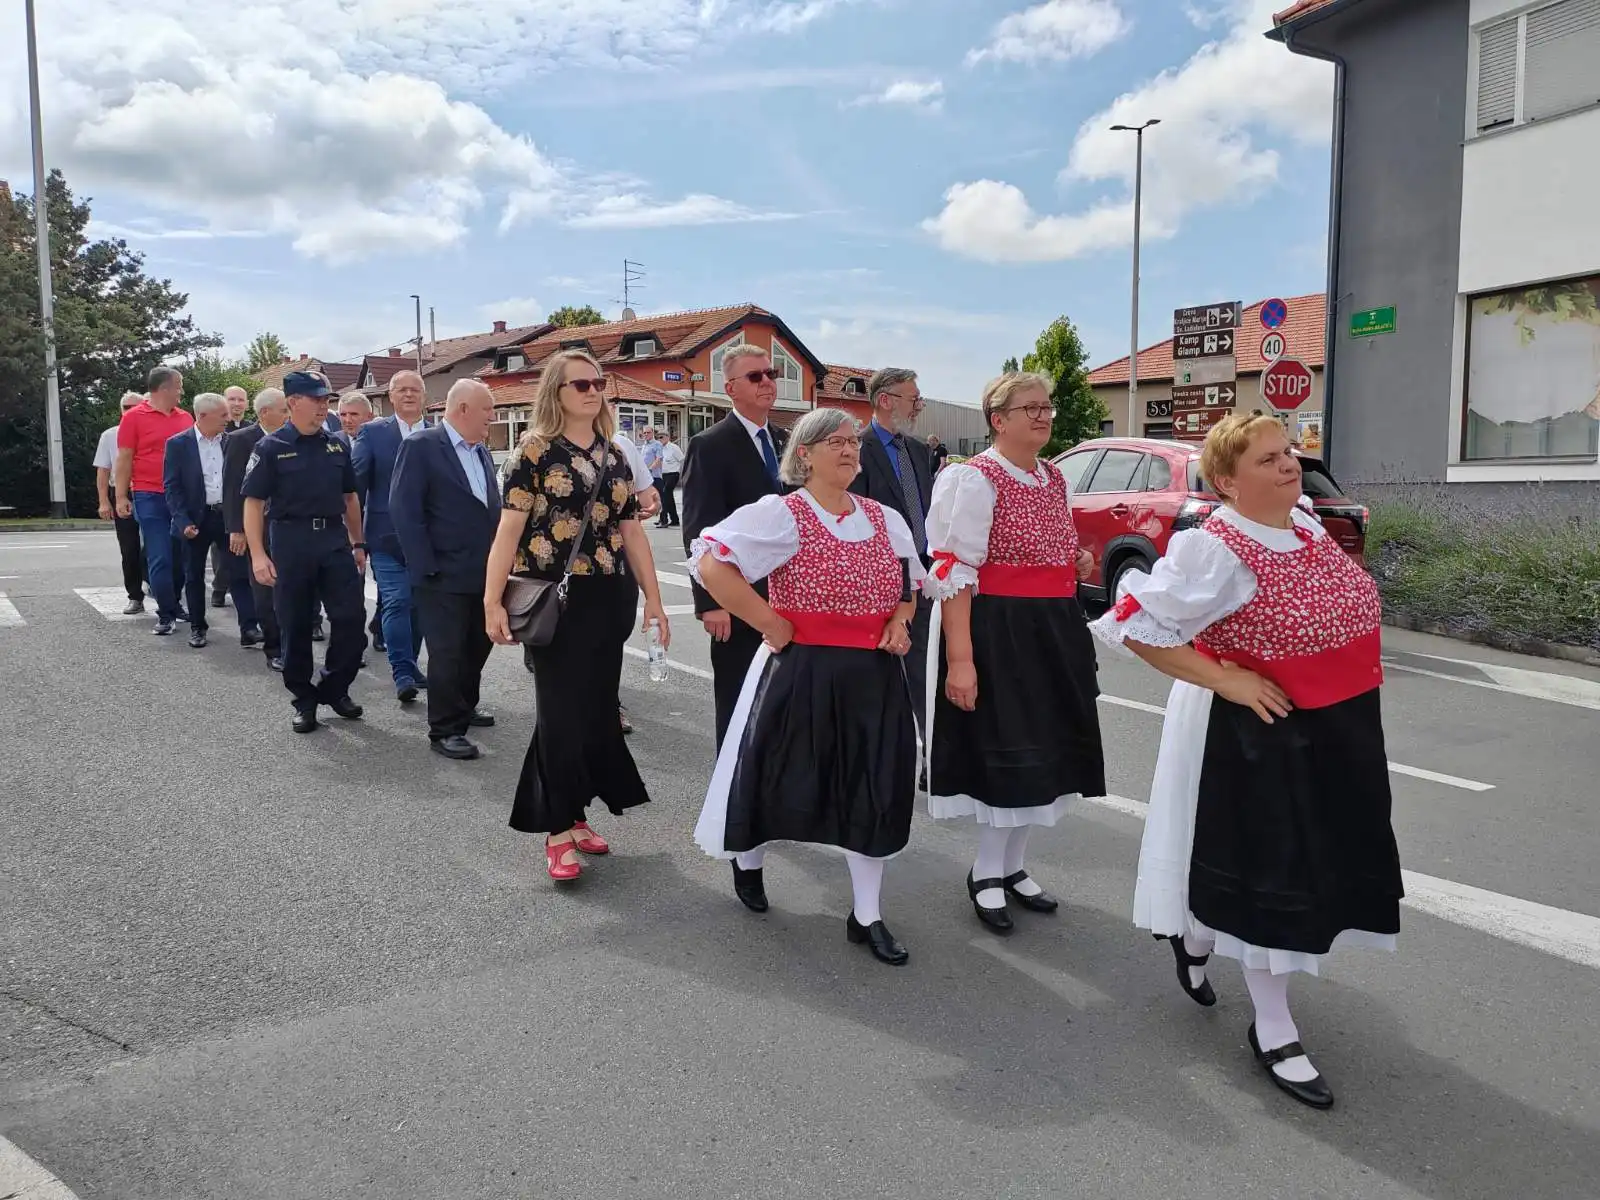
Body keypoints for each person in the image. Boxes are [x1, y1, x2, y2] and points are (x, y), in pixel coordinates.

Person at [1088, 412, 1401, 1110]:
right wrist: (1226, 678)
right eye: (1268, 459)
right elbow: (1132, 620)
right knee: (1274, 870)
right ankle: (1274, 1026)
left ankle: (1193, 933)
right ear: (1227, 481)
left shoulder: (1309, 528)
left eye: (1289, 452)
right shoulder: (1215, 548)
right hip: (1258, 728)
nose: (1290, 464)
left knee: (1308, 861)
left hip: (1334, 724)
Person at [691, 407, 922, 965]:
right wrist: (768, 621)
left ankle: (866, 915)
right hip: (802, 669)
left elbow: (908, 584)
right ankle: (748, 862)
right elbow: (711, 561)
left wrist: (899, 622)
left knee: (871, 784)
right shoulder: (784, 514)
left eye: (853, 443)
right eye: (835, 443)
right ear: (805, 456)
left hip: (871, 674)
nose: (849, 450)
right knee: (775, 772)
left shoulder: (883, 518)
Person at [924, 371, 1103, 935]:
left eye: (1046, 407)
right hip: (1000, 630)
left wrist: (1069, 564)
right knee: (1011, 750)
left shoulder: (1053, 478)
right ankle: (985, 871)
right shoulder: (973, 480)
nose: (1044, 415)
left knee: (1045, 753)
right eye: (1030, 408)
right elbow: (955, 571)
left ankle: (1014, 865)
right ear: (997, 420)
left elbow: (1045, 549)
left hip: (1053, 627)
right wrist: (961, 658)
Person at [485, 349, 671, 882]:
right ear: (556, 393)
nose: (592, 392)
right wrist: (491, 601)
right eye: (580, 385)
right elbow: (508, 534)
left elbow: (632, 531)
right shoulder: (533, 451)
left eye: (597, 384)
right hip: (556, 599)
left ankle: (575, 810)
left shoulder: (615, 454)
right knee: (559, 714)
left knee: (593, 713)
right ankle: (557, 830)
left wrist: (654, 601)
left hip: (610, 597)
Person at [241, 371, 368, 734]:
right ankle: (303, 699)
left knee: (350, 620)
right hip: (290, 541)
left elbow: (349, 498)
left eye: (326, 400)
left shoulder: (336, 445)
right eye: (316, 400)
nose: (323, 407)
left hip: (332, 539)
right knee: (294, 625)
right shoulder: (271, 447)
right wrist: (258, 555)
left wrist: (358, 543)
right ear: (293, 403)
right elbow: (253, 502)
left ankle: (334, 687)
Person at [680, 345, 788, 746]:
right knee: (739, 700)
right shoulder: (710, 444)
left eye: (771, 374)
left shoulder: (784, 440)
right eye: (755, 376)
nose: (768, 383)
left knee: (779, 702)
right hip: (736, 595)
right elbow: (698, 526)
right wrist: (709, 602)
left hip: (784, 592)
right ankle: (731, 798)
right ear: (730, 389)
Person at [390, 380, 501, 760]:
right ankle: (445, 729)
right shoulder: (421, 446)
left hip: (481, 571)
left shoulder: (481, 451)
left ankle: (465, 706)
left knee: (477, 645)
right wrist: (425, 568)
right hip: (441, 574)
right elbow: (405, 511)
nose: (493, 415)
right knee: (448, 652)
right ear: (464, 409)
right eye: (487, 408)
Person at [848, 366, 934, 734]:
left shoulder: (917, 450)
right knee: (879, 678)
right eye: (913, 399)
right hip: (877, 583)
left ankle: (932, 760)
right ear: (885, 400)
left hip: (922, 577)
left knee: (926, 671)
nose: (919, 407)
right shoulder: (856, 449)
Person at [353, 370, 429, 701]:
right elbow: (355, 485)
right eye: (402, 390)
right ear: (391, 396)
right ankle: (401, 673)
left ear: (424, 397)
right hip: (385, 535)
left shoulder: (437, 434)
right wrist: (353, 535)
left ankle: (411, 664)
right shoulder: (372, 433)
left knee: (419, 606)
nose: (409, 395)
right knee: (397, 601)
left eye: (415, 390)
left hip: (428, 538)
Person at [164, 393, 258, 649]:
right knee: (193, 575)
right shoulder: (178, 444)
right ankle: (197, 627)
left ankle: (249, 628)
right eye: (223, 415)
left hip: (227, 517)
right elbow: (172, 487)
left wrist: (239, 521)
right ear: (202, 416)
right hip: (196, 519)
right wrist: (182, 520)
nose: (229, 419)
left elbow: (241, 481)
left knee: (239, 572)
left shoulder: (232, 442)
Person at [114, 366, 193, 635]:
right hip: (148, 494)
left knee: (181, 554)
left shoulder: (185, 418)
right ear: (164, 388)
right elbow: (124, 458)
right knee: (159, 555)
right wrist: (121, 496)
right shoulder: (134, 418)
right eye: (179, 385)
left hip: (180, 497)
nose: (182, 390)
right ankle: (166, 613)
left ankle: (175, 602)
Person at [224, 388, 288, 669]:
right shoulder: (241, 440)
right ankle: (274, 649)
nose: (288, 415)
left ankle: (291, 644)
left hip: (287, 523)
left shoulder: (292, 438)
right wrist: (236, 528)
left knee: (289, 588)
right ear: (265, 413)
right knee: (264, 587)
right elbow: (232, 486)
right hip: (256, 525)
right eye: (283, 410)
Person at [95, 392, 148, 615]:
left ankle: (155, 582)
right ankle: (135, 596)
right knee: (129, 549)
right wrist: (104, 501)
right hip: (123, 494)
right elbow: (103, 470)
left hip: (150, 491)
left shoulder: (150, 432)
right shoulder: (110, 435)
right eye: (126, 407)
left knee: (157, 546)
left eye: (136, 406)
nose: (130, 410)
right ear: (121, 410)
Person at [657, 429, 684, 527]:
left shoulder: (674, 448)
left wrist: (682, 474)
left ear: (667, 437)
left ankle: (663, 518)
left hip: (673, 474)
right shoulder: (659, 448)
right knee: (668, 497)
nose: (660, 439)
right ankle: (674, 519)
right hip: (663, 475)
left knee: (665, 493)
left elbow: (682, 460)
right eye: (658, 437)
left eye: (662, 437)